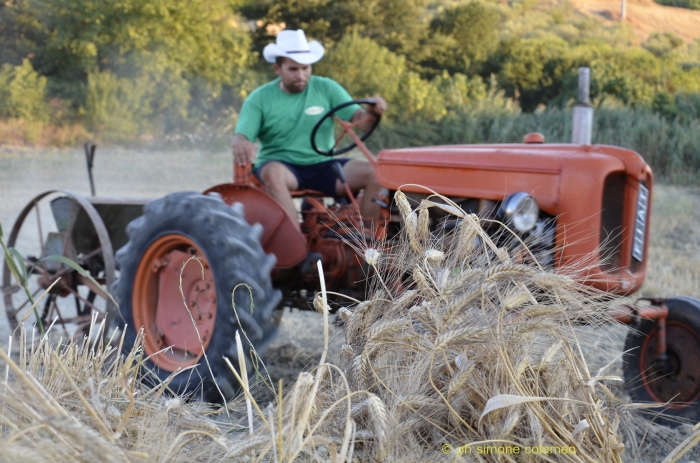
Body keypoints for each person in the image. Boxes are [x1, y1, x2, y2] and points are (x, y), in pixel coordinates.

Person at [231, 29, 387, 231]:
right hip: (285, 167)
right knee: (271, 173)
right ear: (277, 68)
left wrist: (372, 112)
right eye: (293, 69)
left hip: (324, 165)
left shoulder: (326, 87)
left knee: (376, 173)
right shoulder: (259, 98)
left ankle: (369, 243)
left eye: (305, 68)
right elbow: (241, 136)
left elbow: (361, 122)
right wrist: (241, 143)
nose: (301, 75)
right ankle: (297, 245)